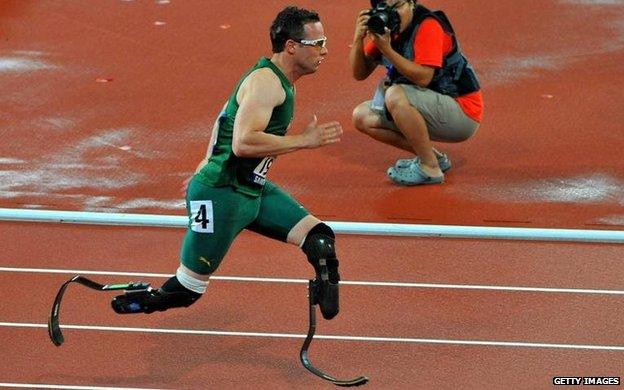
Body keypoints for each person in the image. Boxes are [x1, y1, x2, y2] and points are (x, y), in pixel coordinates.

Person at [111, 6, 343, 320]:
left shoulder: (279, 80)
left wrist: (206, 161)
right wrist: (305, 140)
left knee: (320, 241)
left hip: (251, 189)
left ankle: (323, 312)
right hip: (223, 195)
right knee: (187, 290)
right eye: (317, 44)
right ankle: (141, 300)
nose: (325, 51)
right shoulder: (267, 83)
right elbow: (244, 142)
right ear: (291, 46)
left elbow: (224, 119)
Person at [350, 0, 483, 185]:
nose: (392, 13)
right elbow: (359, 73)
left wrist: (387, 50)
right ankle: (434, 157)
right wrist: (358, 39)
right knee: (362, 116)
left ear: (412, 3)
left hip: (462, 111)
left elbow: (424, 78)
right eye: (386, 7)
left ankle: (430, 169)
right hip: (431, 104)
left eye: (397, 6)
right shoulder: (388, 27)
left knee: (395, 95)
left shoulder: (428, 26)